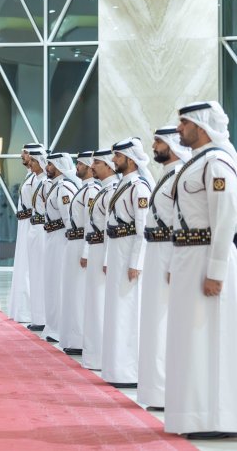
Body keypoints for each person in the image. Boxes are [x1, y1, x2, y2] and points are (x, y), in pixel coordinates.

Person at [165, 101, 237, 439]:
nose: (179, 129)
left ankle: (218, 419)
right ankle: (194, 415)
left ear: (201, 126)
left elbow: (226, 218)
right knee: (190, 339)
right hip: (188, 258)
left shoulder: (217, 163)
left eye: (184, 123)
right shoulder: (196, 163)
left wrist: (216, 272)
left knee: (211, 338)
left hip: (206, 258)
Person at [136, 127, 190, 411]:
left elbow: (181, 220)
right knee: (153, 320)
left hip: (168, 251)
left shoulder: (180, 175)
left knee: (162, 322)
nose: (153, 146)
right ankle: (156, 390)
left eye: (158, 141)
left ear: (172, 144)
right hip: (156, 252)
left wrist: (174, 261)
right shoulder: (168, 174)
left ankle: (164, 389)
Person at [101, 138, 153, 388]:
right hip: (117, 252)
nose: (113, 160)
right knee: (116, 312)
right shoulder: (124, 184)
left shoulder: (139, 188)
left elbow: (142, 229)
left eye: (118, 157)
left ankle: (130, 371)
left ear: (130, 160)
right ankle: (116, 368)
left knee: (128, 312)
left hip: (129, 255)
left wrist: (136, 262)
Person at [80, 149, 118, 371]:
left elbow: (110, 228)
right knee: (93, 303)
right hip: (95, 249)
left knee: (100, 303)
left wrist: (105, 258)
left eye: (97, 163)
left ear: (109, 167)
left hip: (103, 250)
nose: (92, 166)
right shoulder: (103, 190)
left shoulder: (112, 191)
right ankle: (93, 355)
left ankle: (101, 356)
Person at [58, 151, 98, 355]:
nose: (77, 167)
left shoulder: (92, 191)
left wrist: (86, 251)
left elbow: (91, 223)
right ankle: (73, 337)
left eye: (80, 164)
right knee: (72, 292)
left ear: (89, 167)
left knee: (80, 294)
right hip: (73, 243)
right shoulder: (83, 189)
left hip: (81, 244)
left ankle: (81, 340)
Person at [40, 153, 79, 343]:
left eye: (50, 164)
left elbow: (68, 219)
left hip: (61, 240)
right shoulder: (56, 186)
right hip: (53, 238)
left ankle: (58, 329)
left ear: (59, 166)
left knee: (57, 284)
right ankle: (53, 326)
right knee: (51, 283)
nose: (47, 167)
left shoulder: (64, 188)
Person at [7, 143, 43, 323]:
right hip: (25, 225)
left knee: (29, 268)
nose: (22, 157)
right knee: (23, 266)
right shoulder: (30, 176)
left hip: (32, 224)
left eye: (25, 154)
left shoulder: (39, 178)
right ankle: (21, 311)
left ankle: (29, 312)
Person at [25, 147, 48, 331]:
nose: (30, 163)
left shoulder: (46, 182)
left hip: (43, 231)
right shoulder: (34, 180)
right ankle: (37, 316)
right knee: (34, 273)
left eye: (33, 160)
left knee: (42, 274)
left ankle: (44, 318)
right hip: (34, 229)